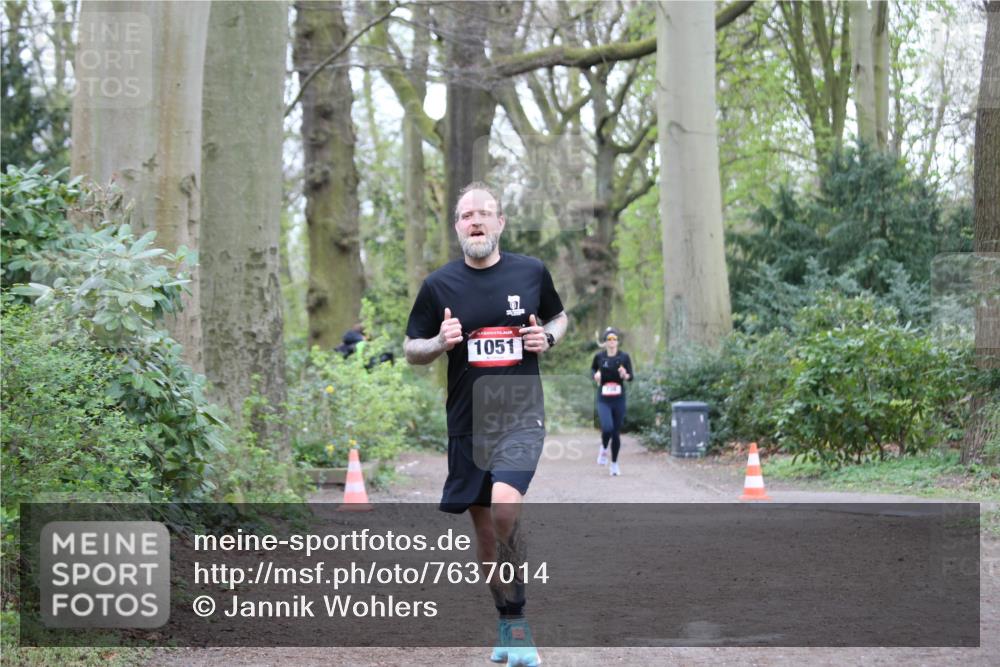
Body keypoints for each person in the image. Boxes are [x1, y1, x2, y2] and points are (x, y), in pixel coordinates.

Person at [404, 182, 568, 667]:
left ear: (500, 223)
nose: (475, 221)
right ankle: (510, 623)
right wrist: (438, 341)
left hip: (520, 415)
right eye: (466, 215)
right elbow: (412, 349)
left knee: (503, 510)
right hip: (467, 424)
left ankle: (518, 624)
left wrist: (547, 338)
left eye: (484, 213)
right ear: (458, 227)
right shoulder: (438, 286)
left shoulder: (531, 272)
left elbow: (560, 318)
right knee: (486, 537)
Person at [591, 327, 634, 476]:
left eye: (614, 339)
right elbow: (592, 370)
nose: (612, 341)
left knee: (616, 433)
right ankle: (603, 448)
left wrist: (625, 375)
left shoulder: (624, 357)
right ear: (605, 341)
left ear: (618, 341)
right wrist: (595, 375)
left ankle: (614, 464)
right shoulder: (599, 357)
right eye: (609, 339)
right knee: (607, 428)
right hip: (604, 398)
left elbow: (631, 376)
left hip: (618, 399)